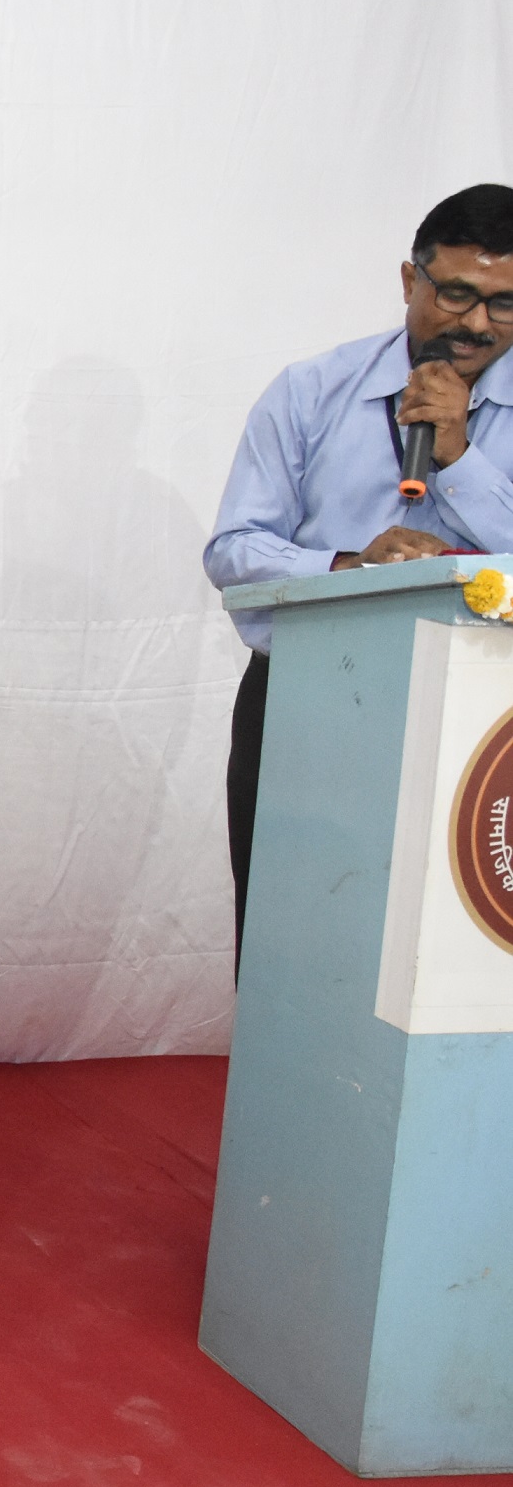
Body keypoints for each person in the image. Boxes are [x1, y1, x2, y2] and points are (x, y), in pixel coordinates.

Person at [207, 185, 513, 960]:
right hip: (311, 695)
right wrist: (349, 566)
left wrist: (459, 457)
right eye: (457, 294)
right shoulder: (312, 390)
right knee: (291, 938)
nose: (479, 324)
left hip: (491, 714)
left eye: (506, 304)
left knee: (455, 953)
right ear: (411, 280)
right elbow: (235, 548)